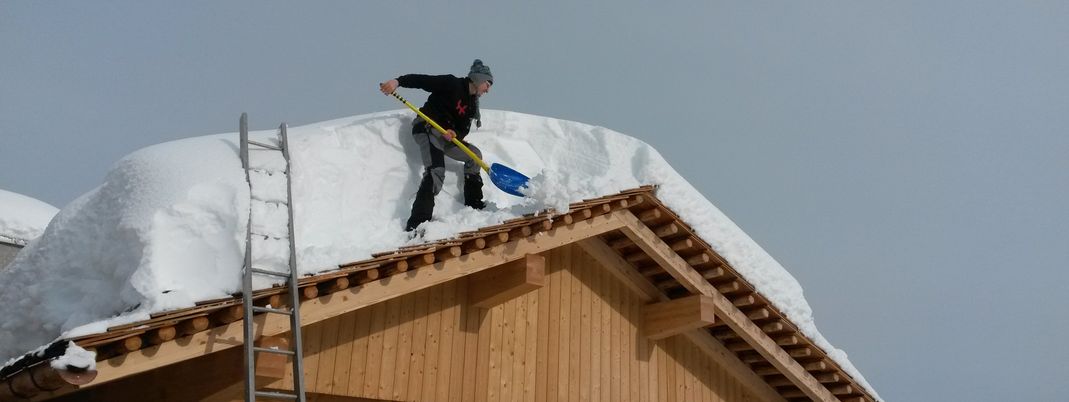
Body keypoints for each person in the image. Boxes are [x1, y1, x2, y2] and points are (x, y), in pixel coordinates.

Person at [379, 59, 494, 232]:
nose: (488, 89)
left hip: (446, 137)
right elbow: (421, 80)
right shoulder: (451, 83)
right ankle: (417, 224)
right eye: (487, 83)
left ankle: (474, 205)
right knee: (436, 170)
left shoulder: (471, 105)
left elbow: (463, 129)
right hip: (427, 128)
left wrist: (455, 134)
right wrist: (397, 82)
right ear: (478, 79)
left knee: (475, 156)